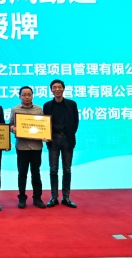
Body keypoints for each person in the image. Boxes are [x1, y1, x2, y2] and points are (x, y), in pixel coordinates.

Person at [43, 79, 79, 208]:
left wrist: (69, 134)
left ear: (63, 88)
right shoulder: (47, 105)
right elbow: (44, 123)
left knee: (67, 169)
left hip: (67, 139)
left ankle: (66, 197)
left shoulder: (72, 104)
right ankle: (54, 197)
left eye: (59, 87)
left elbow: (75, 122)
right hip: (53, 139)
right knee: (53, 170)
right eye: (54, 87)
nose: (57, 89)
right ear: (51, 90)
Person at [9, 86, 46, 209]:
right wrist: (13, 129)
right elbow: (10, 125)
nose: (26, 97)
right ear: (19, 96)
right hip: (22, 146)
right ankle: (22, 198)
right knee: (22, 173)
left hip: (36, 146)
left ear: (32, 96)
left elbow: (43, 125)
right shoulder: (15, 109)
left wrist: (45, 134)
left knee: (36, 173)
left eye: (29, 94)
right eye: (24, 95)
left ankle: (37, 198)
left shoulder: (38, 109)